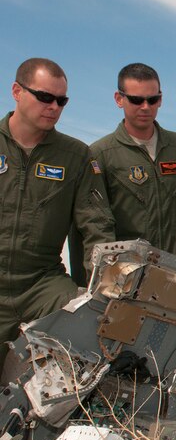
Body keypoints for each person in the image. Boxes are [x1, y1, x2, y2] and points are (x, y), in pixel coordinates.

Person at [0, 58, 115, 374]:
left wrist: (105, 287)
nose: (54, 107)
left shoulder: (76, 156)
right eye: (45, 97)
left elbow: (96, 225)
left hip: (42, 283)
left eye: (61, 101)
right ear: (16, 91)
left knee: (98, 327)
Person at [81, 63, 176, 266]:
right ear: (119, 99)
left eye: (152, 100)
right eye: (136, 100)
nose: (145, 107)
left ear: (160, 99)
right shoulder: (100, 155)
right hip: (127, 271)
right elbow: (95, 226)